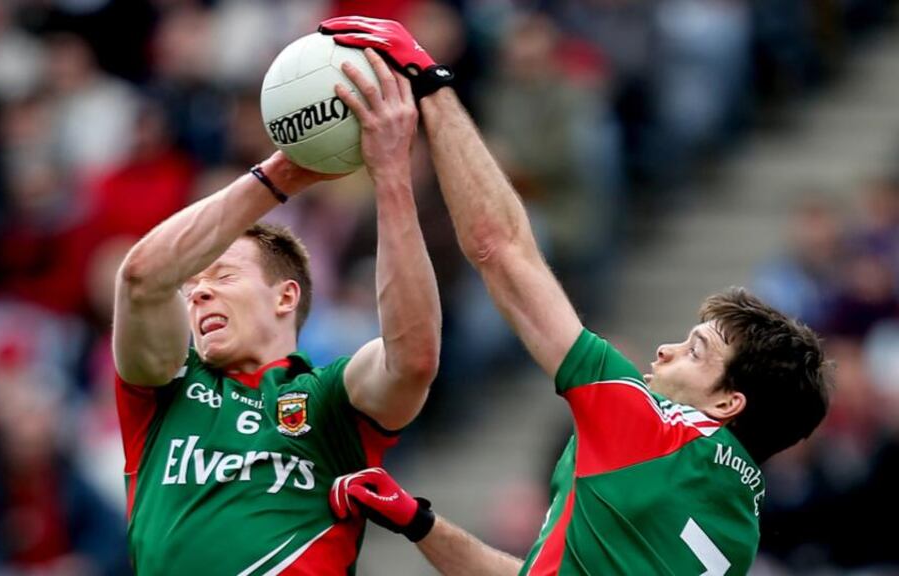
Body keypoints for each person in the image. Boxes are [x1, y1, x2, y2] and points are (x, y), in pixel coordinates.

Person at [319, 18, 832, 575]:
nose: (664, 350)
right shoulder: (738, 530)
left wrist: (432, 87)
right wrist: (421, 523)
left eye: (696, 350)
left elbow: (501, 248)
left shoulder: (653, 434)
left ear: (728, 404)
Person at [112, 50, 441, 574]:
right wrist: (283, 171)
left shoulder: (329, 400)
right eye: (193, 285)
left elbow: (413, 359)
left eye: (222, 276)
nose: (197, 294)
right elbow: (142, 279)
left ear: (285, 296)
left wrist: (391, 178)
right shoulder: (165, 394)